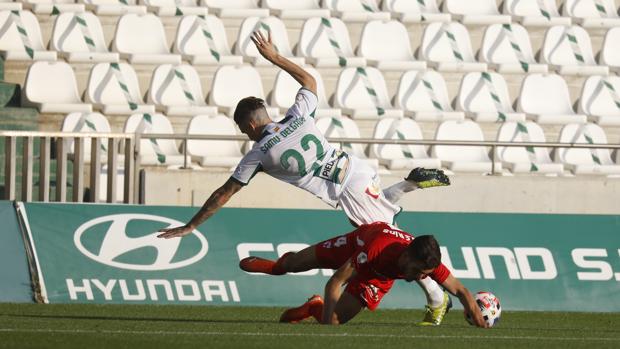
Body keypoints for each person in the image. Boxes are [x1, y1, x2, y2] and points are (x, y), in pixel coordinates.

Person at [157, 30, 451, 325]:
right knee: (386, 230)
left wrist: (191, 225)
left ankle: (437, 298)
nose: (245, 136)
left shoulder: (258, 153)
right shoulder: (299, 115)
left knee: (387, 236)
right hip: (357, 168)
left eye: (244, 130)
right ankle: (407, 186)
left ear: (249, 124)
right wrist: (274, 57)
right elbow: (310, 82)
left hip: (345, 190)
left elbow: (224, 193)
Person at [239, 222, 487, 327]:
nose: (423, 277)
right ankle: (276, 267)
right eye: (421, 273)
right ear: (408, 257)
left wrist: (479, 322)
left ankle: (313, 307)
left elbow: (460, 291)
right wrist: (324, 330)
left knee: (335, 320)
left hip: (376, 278)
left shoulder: (427, 262)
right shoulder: (378, 248)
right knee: (294, 264)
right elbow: (336, 281)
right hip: (353, 247)